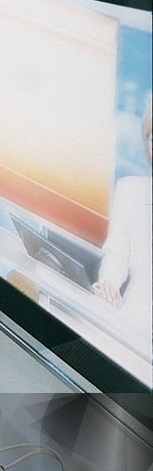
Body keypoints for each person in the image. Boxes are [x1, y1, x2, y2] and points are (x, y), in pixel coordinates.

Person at [93, 100, 153, 352]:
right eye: (152, 137)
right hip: (130, 334)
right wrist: (109, 286)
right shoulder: (131, 191)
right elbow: (116, 257)